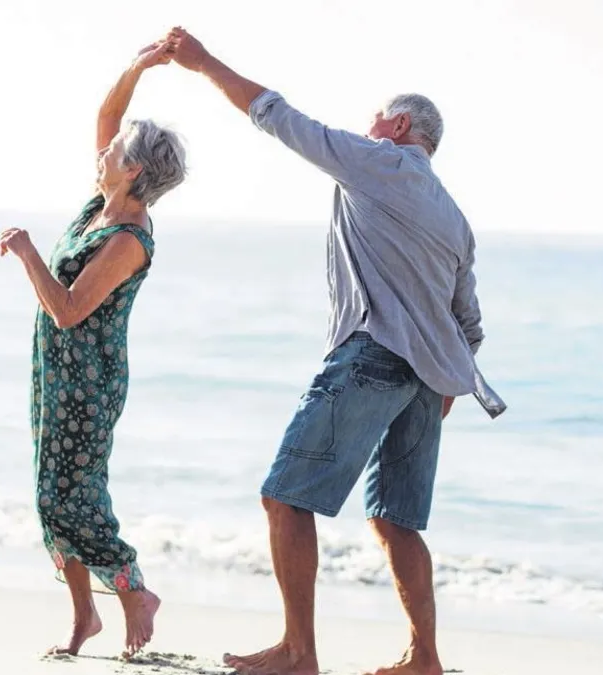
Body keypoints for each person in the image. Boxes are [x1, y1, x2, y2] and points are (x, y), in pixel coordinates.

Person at [165, 26, 491, 675]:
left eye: (376, 119)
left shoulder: (377, 160)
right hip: (429, 378)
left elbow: (278, 117)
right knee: (397, 519)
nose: (367, 126)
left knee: (285, 497)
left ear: (398, 126)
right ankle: (423, 656)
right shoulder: (453, 214)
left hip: (372, 357)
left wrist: (202, 63)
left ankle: (298, 651)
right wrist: (445, 387)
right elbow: (469, 322)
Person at [0, 39, 187, 658]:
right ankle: (84, 618)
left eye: (115, 152)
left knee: (68, 496)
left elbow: (71, 309)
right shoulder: (101, 205)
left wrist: (27, 252)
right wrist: (137, 67)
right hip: (55, 370)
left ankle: (133, 589)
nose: (102, 150)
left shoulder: (129, 236)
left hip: (88, 379)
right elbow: (108, 122)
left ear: (133, 170)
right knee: (48, 493)